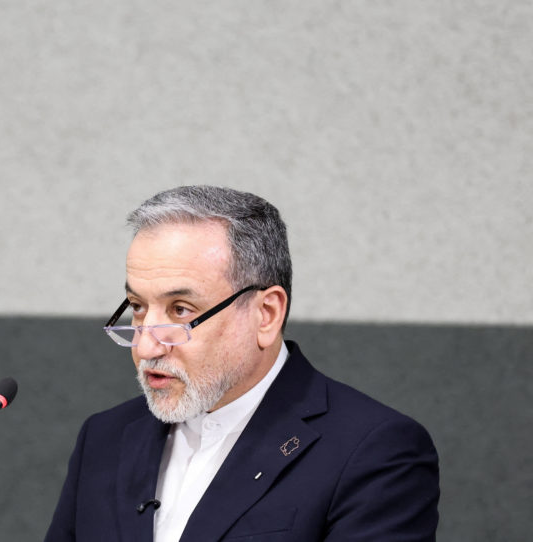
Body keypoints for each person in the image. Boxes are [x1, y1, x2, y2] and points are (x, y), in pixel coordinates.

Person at [45, 186, 439, 541]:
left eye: (181, 310)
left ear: (266, 314)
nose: (146, 345)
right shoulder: (105, 437)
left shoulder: (374, 451)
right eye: (137, 307)